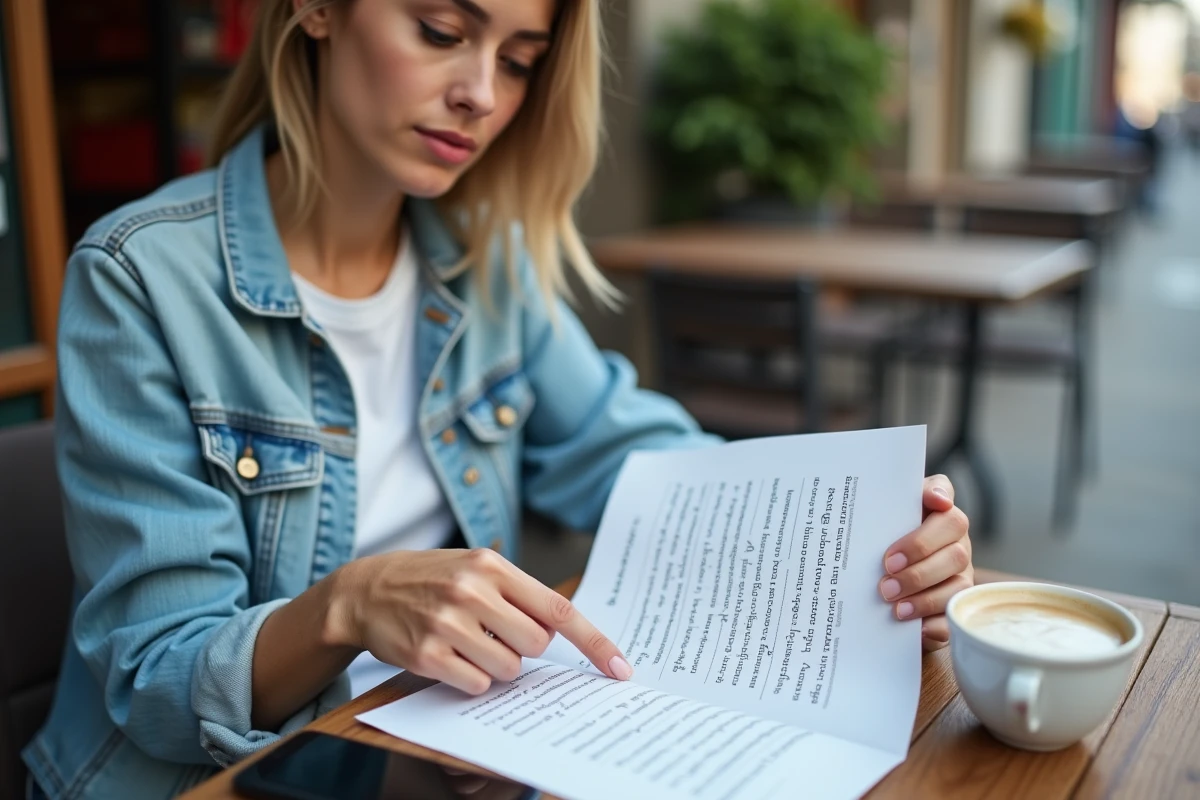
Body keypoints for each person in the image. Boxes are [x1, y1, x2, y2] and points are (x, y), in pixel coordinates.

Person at [23, 1, 974, 798]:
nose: (482, 93)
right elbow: (157, 678)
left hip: (433, 753)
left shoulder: (485, 264)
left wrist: (875, 548)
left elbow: (653, 467)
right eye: (442, 30)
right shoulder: (141, 278)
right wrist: (348, 605)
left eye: (519, 61)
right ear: (314, 10)